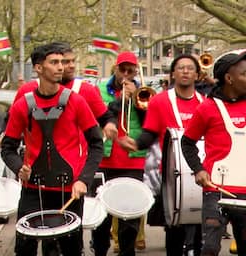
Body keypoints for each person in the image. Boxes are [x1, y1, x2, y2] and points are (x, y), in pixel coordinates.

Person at [12, 42, 118, 255]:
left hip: (69, 188)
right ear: (38, 68)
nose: (62, 67)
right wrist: (18, 168)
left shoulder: (77, 100)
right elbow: (8, 145)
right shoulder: (24, 100)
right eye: (55, 62)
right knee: (25, 246)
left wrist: (83, 180)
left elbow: (96, 143)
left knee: (70, 248)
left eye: (64, 62)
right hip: (33, 188)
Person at [118, 54, 204, 256]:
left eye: (190, 68)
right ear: (173, 73)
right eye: (180, 68)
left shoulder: (205, 102)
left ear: (197, 75)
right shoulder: (160, 101)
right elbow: (150, 132)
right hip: (170, 171)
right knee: (174, 227)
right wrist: (136, 144)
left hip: (199, 170)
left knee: (199, 225)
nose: (185, 71)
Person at [181, 51, 246, 255]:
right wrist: (198, 170)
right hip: (216, 190)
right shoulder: (207, 108)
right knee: (210, 248)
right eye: (245, 73)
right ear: (229, 78)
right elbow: (187, 143)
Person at [91, 51, 148, 256]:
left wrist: (137, 98)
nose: (125, 74)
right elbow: (98, 117)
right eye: (122, 69)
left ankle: (127, 252)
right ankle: (99, 251)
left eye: (130, 70)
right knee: (101, 216)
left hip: (132, 162)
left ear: (135, 72)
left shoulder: (143, 92)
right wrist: (119, 100)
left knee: (130, 216)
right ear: (115, 69)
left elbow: (150, 123)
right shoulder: (99, 91)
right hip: (104, 160)